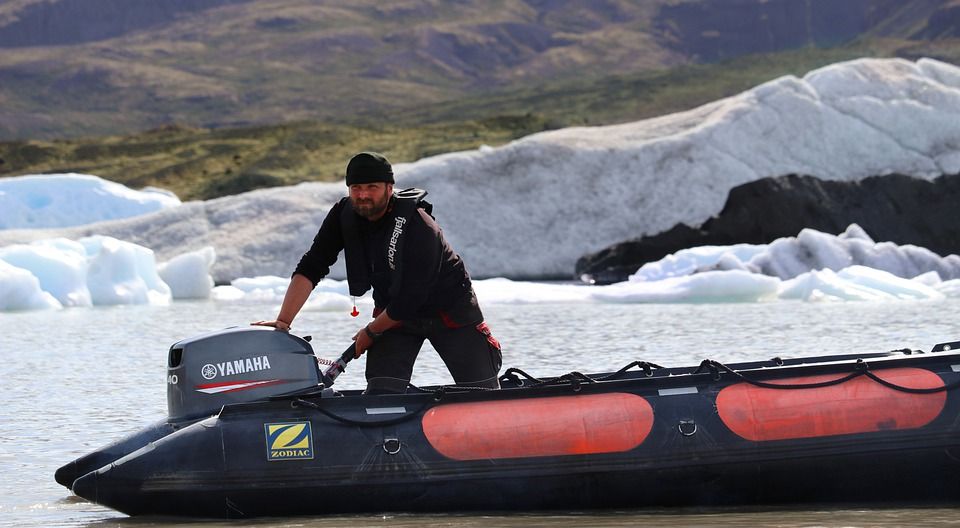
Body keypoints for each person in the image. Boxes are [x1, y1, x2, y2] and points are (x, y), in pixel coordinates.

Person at [254, 152, 502, 393]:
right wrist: (284, 321)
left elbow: (411, 297)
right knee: (382, 393)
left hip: (450, 312)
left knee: (483, 392)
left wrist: (371, 331)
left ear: (389, 188)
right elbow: (312, 266)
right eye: (356, 188)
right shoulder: (343, 215)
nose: (363, 195)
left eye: (372, 187)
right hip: (393, 314)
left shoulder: (420, 226)